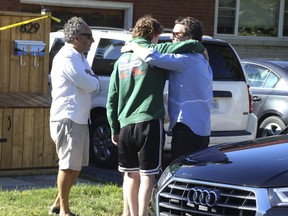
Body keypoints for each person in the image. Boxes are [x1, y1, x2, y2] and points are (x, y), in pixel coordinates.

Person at [106, 15, 206, 216]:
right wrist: (201, 48)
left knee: (129, 175)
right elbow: (189, 46)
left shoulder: (121, 59)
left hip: (125, 124)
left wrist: (113, 128)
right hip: (149, 121)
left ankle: (129, 214)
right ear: (153, 35)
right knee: (148, 176)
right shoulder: (154, 54)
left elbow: (111, 99)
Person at [123, 16, 213, 161]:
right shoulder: (197, 57)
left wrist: (133, 45)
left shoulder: (186, 59)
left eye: (177, 34)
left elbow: (152, 57)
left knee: (183, 172)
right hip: (199, 126)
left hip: (186, 126)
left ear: (190, 37)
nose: (172, 37)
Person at [49, 17, 100, 216]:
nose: (92, 40)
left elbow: (91, 81)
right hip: (68, 118)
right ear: (76, 37)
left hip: (80, 118)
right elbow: (88, 82)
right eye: (89, 36)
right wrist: (92, 80)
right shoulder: (67, 56)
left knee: (76, 167)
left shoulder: (80, 57)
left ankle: (57, 203)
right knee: (68, 165)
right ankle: (64, 211)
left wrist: (92, 80)